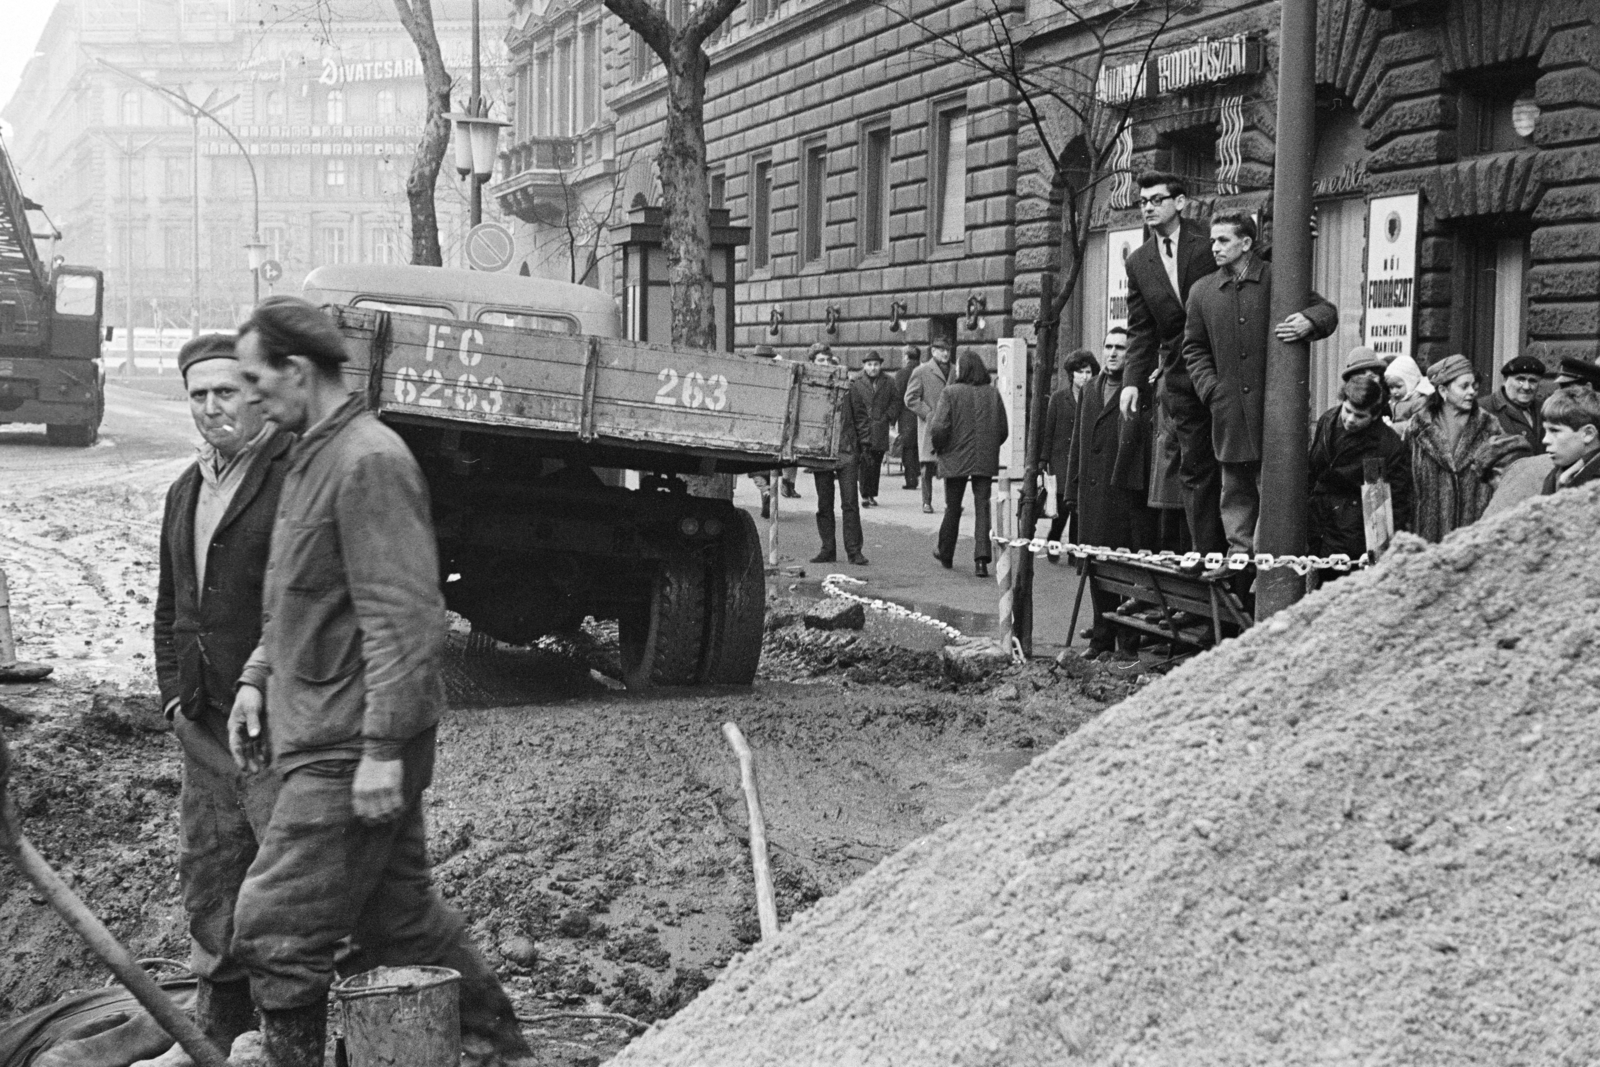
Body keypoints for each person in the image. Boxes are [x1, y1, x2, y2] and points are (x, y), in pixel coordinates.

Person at [226, 297, 534, 1067]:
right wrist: (258, 676)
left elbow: (407, 619)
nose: (251, 397)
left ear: (299, 372)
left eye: (258, 381)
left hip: (347, 738)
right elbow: (304, 594)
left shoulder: (368, 460)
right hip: (322, 722)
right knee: (400, 920)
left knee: (277, 922)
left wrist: (382, 749)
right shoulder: (311, 451)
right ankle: (499, 1048)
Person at [148, 334, 292, 1065]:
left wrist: (260, 684)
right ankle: (218, 1026)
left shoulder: (291, 473)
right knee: (210, 874)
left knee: (284, 881)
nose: (211, 408)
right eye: (198, 395)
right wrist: (175, 701)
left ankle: (282, 1034)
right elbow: (172, 606)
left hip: (279, 723)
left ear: (256, 395)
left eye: (225, 392)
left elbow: (307, 601)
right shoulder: (187, 486)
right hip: (203, 724)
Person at [1182, 211, 1338, 559]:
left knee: (1274, 491)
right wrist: (1211, 390)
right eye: (1213, 240)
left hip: (1275, 410)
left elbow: (1327, 310)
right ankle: (1239, 560)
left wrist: (1308, 321)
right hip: (1229, 410)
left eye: (1223, 240)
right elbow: (1193, 347)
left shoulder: (1276, 279)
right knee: (1234, 490)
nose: (1215, 247)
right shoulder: (1202, 291)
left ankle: (1264, 568)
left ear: (1247, 243)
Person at [1119, 171, 1225, 554]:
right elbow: (1141, 328)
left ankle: (1236, 556)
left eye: (1157, 199)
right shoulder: (1139, 262)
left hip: (1225, 366)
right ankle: (1204, 555)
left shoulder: (1209, 239)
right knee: (1194, 467)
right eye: (1143, 201)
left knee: (1233, 465)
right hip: (1181, 377)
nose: (1148, 207)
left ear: (1179, 203)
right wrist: (1132, 380)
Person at [1064, 328, 1156, 657]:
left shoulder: (1141, 390)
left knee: (1126, 575)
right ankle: (1100, 639)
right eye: (1108, 346)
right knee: (1096, 571)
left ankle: (1126, 644)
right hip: (1092, 496)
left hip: (1124, 497)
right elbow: (1078, 441)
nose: (1113, 353)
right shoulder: (1090, 389)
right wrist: (1071, 489)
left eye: (1120, 348)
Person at [1408, 354, 1532, 542]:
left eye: (1474, 386)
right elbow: (1405, 483)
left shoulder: (1489, 426)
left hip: (1473, 536)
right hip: (1428, 537)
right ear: (1443, 390)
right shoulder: (1417, 428)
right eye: (1464, 386)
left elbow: (1504, 482)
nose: (1472, 392)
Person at [1307, 375, 1412, 568]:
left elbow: (1391, 504)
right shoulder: (1328, 419)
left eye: (1360, 416)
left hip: (1352, 534)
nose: (1350, 420)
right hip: (1316, 522)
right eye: (1347, 411)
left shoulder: (1385, 445)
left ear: (1374, 416)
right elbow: (1312, 469)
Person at [929, 350, 1008, 577]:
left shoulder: (950, 392)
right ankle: (981, 560)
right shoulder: (992, 393)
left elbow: (939, 427)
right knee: (982, 505)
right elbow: (1003, 430)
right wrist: (990, 445)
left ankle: (946, 551)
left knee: (953, 506)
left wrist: (941, 446)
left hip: (955, 457)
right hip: (984, 457)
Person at [807, 347, 867, 565]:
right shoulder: (808, 387)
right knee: (824, 504)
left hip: (847, 450)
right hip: (820, 452)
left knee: (850, 503)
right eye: (819, 360)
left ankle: (854, 550)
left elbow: (861, 418)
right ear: (812, 362)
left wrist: (864, 447)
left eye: (827, 359)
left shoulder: (848, 387)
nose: (824, 363)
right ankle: (827, 549)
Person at [1043, 348, 1100, 560]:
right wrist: (1043, 461)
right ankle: (1054, 540)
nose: (1085, 376)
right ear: (1071, 375)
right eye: (1080, 372)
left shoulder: (1095, 398)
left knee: (1079, 508)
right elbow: (1048, 432)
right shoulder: (1058, 399)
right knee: (1061, 509)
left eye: (1088, 372)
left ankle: (1076, 551)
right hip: (1060, 461)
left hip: (1082, 462)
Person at [904, 340, 954, 514]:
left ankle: (951, 502)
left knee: (950, 465)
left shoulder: (955, 370)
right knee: (927, 466)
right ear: (933, 351)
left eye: (947, 350)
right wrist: (928, 414)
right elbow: (910, 398)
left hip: (950, 425)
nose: (945, 354)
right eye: (941, 350)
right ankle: (927, 501)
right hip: (930, 426)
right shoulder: (922, 371)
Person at [849, 351, 899, 507]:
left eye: (876, 364)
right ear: (864, 365)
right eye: (869, 364)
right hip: (862, 428)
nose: (873, 368)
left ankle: (871, 494)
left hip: (880, 428)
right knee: (864, 462)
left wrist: (887, 417)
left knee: (876, 463)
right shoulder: (856, 381)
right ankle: (864, 495)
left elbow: (896, 402)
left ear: (880, 365)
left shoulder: (889, 382)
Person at [1539, 385, 1600, 493]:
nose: (1545, 440)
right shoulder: (1557, 475)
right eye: (1546, 430)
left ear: (1588, 433)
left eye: (1555, 430)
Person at [1484, 354, 1550, 454]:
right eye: (1520, 380)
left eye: (1533, 381)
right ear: (1505, 380)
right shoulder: (1484, 408)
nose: (1527, 387)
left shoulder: (1545, 409)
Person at [893, 345, 923, 489]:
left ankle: (911, 479)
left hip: (907, 417)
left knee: (908, 448)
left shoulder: (902, 373)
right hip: (923, 414)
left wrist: (892, 419)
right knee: (919, 446)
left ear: (906, 357)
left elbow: (898, 397)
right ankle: (919, 473)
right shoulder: (924, 371)